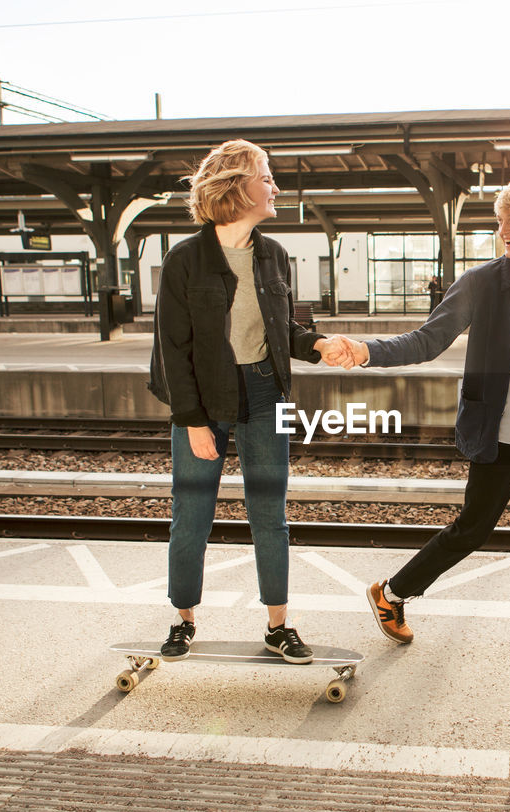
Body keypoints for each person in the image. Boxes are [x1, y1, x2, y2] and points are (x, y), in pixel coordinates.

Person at [325, 177, 510, 657]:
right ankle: (390, 594)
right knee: (473, 529)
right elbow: (426, 340)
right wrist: (363, 350)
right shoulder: (482, 283)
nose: (503, 230)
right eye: (499, 221)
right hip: (500, 429)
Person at [148, 139, 340, 664]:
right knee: (191, 514)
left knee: (269, 514)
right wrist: (191, 421)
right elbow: (172, 349)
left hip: (265, 390)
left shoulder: (273, 254)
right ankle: (183, 618)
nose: (275, 186)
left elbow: (286, 329)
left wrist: (319, 345)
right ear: (237, 186)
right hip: (204, 398)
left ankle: (279, 626)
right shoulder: (185, 260)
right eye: (267, 177)